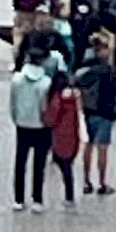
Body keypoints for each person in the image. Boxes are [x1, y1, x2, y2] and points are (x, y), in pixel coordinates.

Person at [11, 50, 55, 211]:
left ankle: (18, 198)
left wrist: (16, 118)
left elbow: (13, 102)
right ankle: (37, 199)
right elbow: (44, 106)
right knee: (39, 164)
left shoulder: (16, 80)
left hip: (22, 124)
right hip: (40, 126)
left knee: (20, 162)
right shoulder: (46, 82)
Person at [78, 38, 116, 192]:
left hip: (89, 111)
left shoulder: (87, 70)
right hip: (105, 112)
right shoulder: (109, 71)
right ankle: (102, 183)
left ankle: (86, 181)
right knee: (102, 148)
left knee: (88, 146)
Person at [47, 68, 83, 206]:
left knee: (64, 166)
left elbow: (51, 119)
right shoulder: (73, 98)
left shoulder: (58, 99)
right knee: (67, 165)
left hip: (60, 136)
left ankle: (69, 195)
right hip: (72, 135)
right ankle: (70, 195)